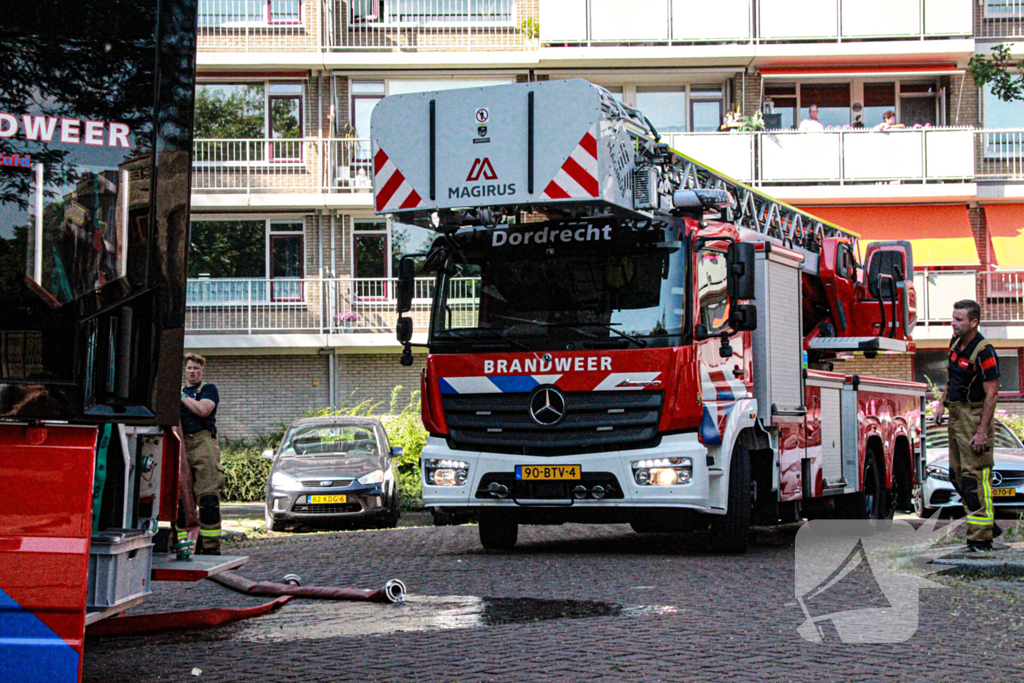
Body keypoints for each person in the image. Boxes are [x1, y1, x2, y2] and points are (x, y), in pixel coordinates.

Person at [934, 300, 1003, 552]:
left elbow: (992, 394)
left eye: (959, 320)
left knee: (974, 477)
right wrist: (942, 404)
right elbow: (951, 377)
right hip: (955, 412)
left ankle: (980, 539)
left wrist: (982, 430)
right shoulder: (954, 344)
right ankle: (988, 525)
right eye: (953, 318)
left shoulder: (984, 351)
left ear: (973, 322)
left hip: (974, 416)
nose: (953, 323)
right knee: (955, 475)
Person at [180, 353, 225, 555]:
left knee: (208, 498)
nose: (192, 372)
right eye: (189, 368)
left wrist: (181, 398)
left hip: (203, 443)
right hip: (180, 443)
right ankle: (186, 544)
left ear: (202, 371)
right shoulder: (180, 391)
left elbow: (203, 411)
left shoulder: (208, 389)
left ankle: (210, 547)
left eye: (196, 368)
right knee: (182, 500)